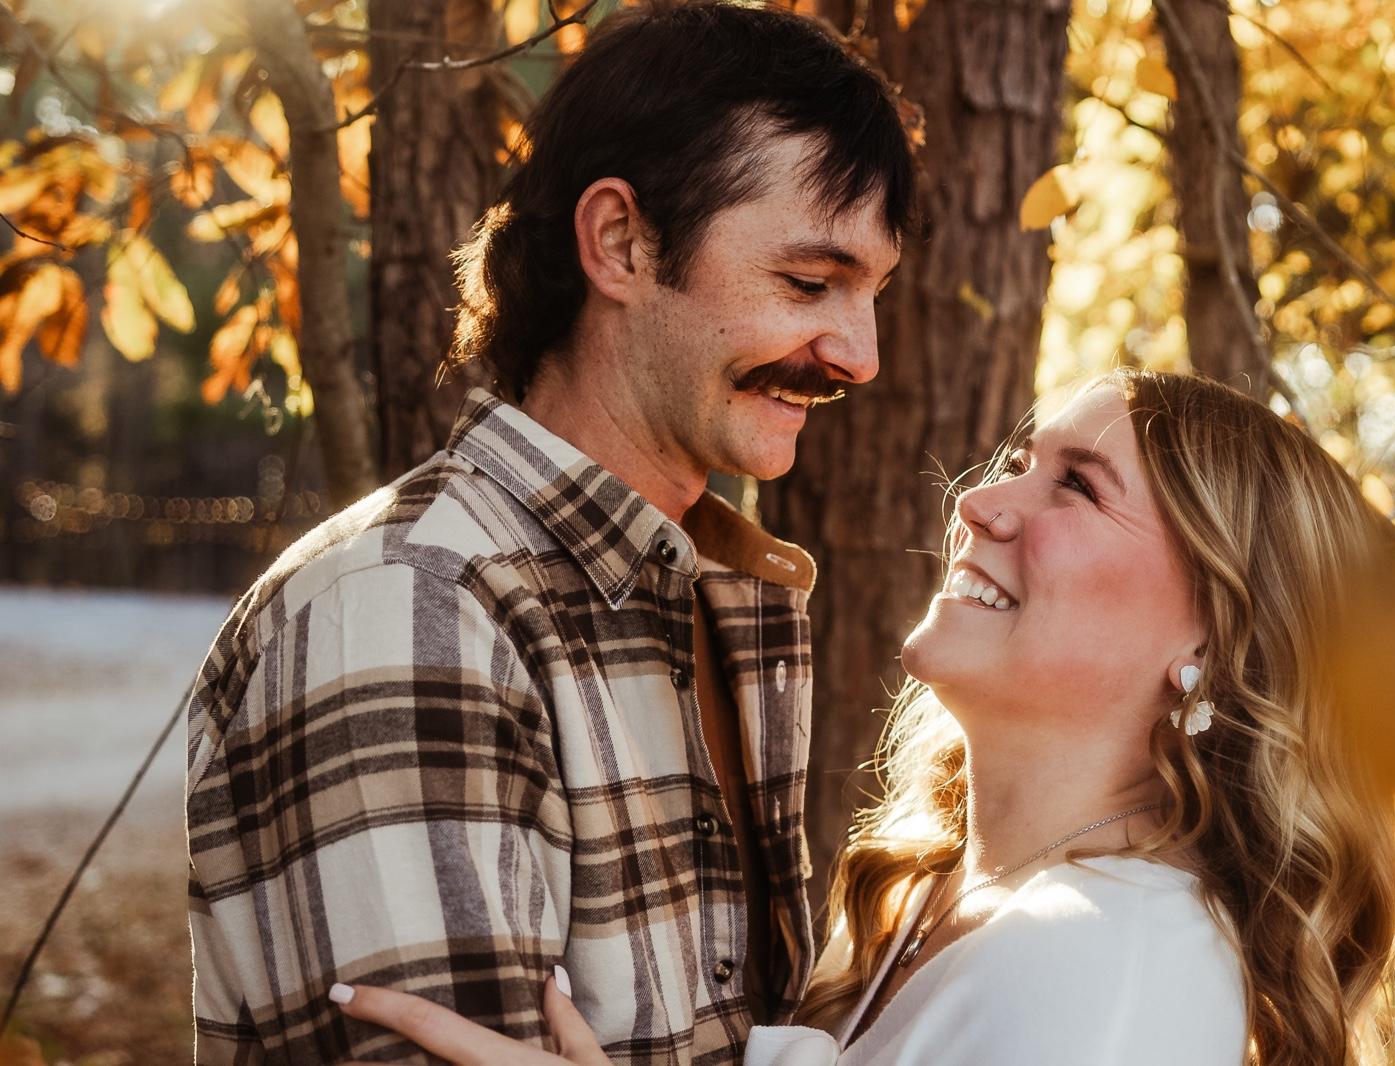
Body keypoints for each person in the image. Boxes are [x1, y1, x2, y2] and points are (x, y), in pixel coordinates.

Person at [182, 3, 914, 1062]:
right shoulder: (412, 611)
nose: (860, 355)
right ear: (620, 242)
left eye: (872, 292)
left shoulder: (715, 595)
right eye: (809, 283)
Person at [329, 368, 1395, 1065]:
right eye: (1020, 462)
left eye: (1079, 487)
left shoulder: (1114, 965)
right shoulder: (940, 902)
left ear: (1216, 646)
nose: (978, 502)